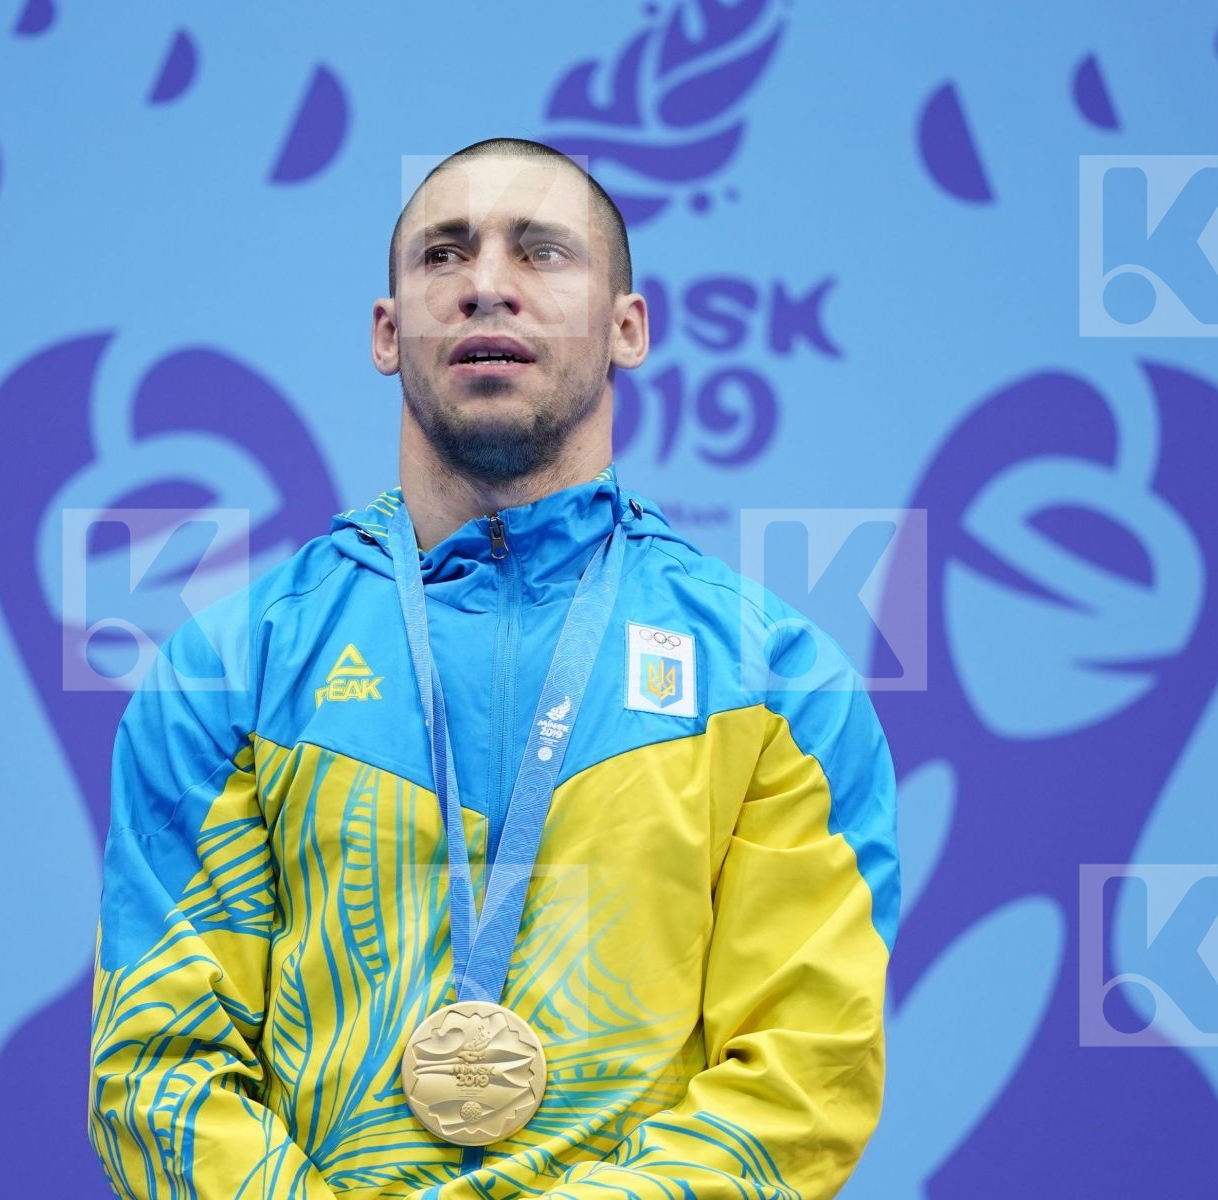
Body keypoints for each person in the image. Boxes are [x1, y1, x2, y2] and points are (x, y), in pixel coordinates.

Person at [88, 137, 900, 1200]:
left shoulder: (778, 684)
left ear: (629, 327)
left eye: (542, 253)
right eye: (444, 254)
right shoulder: (231, 669)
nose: (485, 286)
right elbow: (159, 1071)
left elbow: (803, 1077)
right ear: (388, 333)